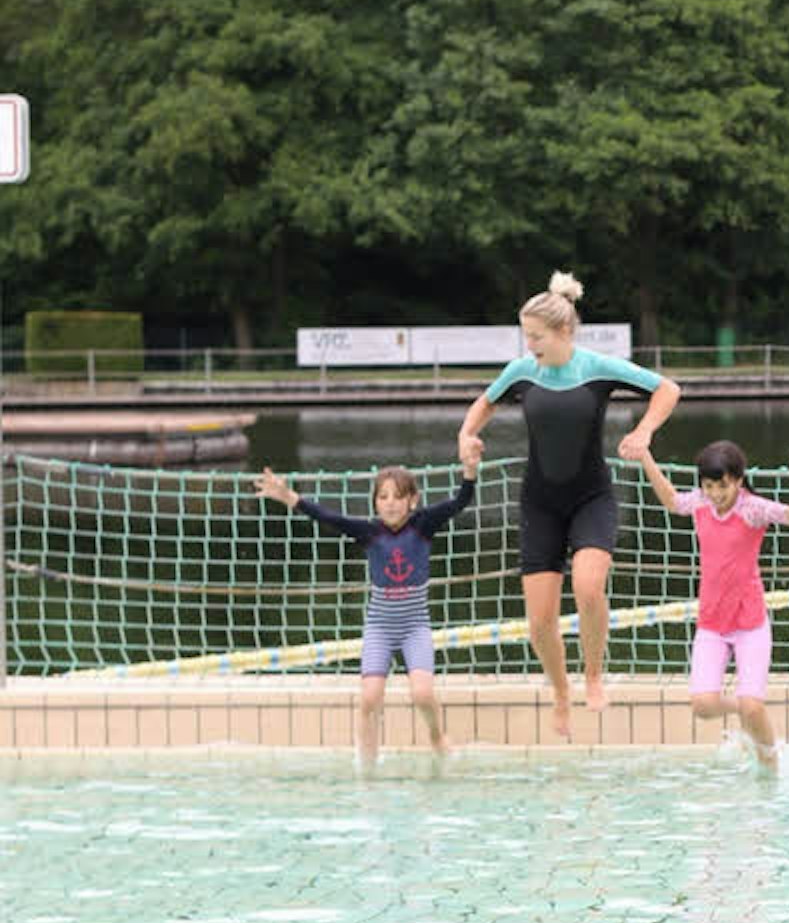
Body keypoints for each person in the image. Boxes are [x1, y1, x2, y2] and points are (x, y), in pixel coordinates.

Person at [457, 271, 682, 738]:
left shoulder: (598, 367)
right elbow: (485, 404)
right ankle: (561, 691)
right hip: (540, 504)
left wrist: (644, 431)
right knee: (540, 623)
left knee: (588, 587)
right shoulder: (522, 372)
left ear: (563, 331)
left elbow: (668, 389)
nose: (530, 345)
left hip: (591, 498)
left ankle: (594, 674)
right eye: (526, 336)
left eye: (536, 337)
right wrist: (467, 435)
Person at [252, 450, 479, 768]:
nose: (390, 503)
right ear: (374, 503)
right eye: (383, 497)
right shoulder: (369, 532)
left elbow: (460, 502)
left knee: (423, 694)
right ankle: (366, 764)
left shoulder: (423, 525)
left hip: (414, 627)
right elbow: (329, 518)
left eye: (398, 496)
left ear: (412, 501)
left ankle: (436, 735)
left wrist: (470, 471)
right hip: (380, 628)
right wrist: (289, 497)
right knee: (369, 699)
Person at [631, 440, 789, 770]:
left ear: (738, 480)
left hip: (750, 624)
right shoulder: (700, 503)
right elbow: (670, 499)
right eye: (708, 486)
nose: (716, 494)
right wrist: (645, 456)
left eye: (722, 486)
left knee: (752, 706)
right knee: (703, 705)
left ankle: (771, 764)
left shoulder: (753, 509)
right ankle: (749, 711)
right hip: (712, 624)